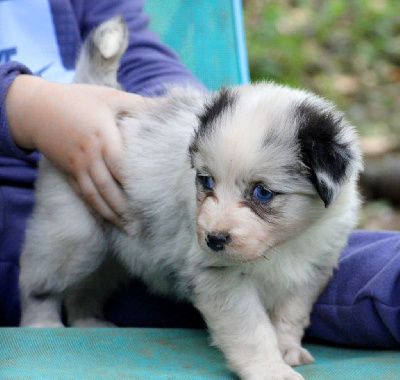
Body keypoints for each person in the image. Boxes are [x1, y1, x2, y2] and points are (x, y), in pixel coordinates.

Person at [1, 0, 399, 349]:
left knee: (368, 267)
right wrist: (24, 104)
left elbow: (136, 49)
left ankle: (85, 310)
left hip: (164, 263)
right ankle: (46, 305)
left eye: (262, 194)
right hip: (21, 221)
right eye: (205, 183)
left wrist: (216, 128)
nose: (214, 223)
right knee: (224, 290)